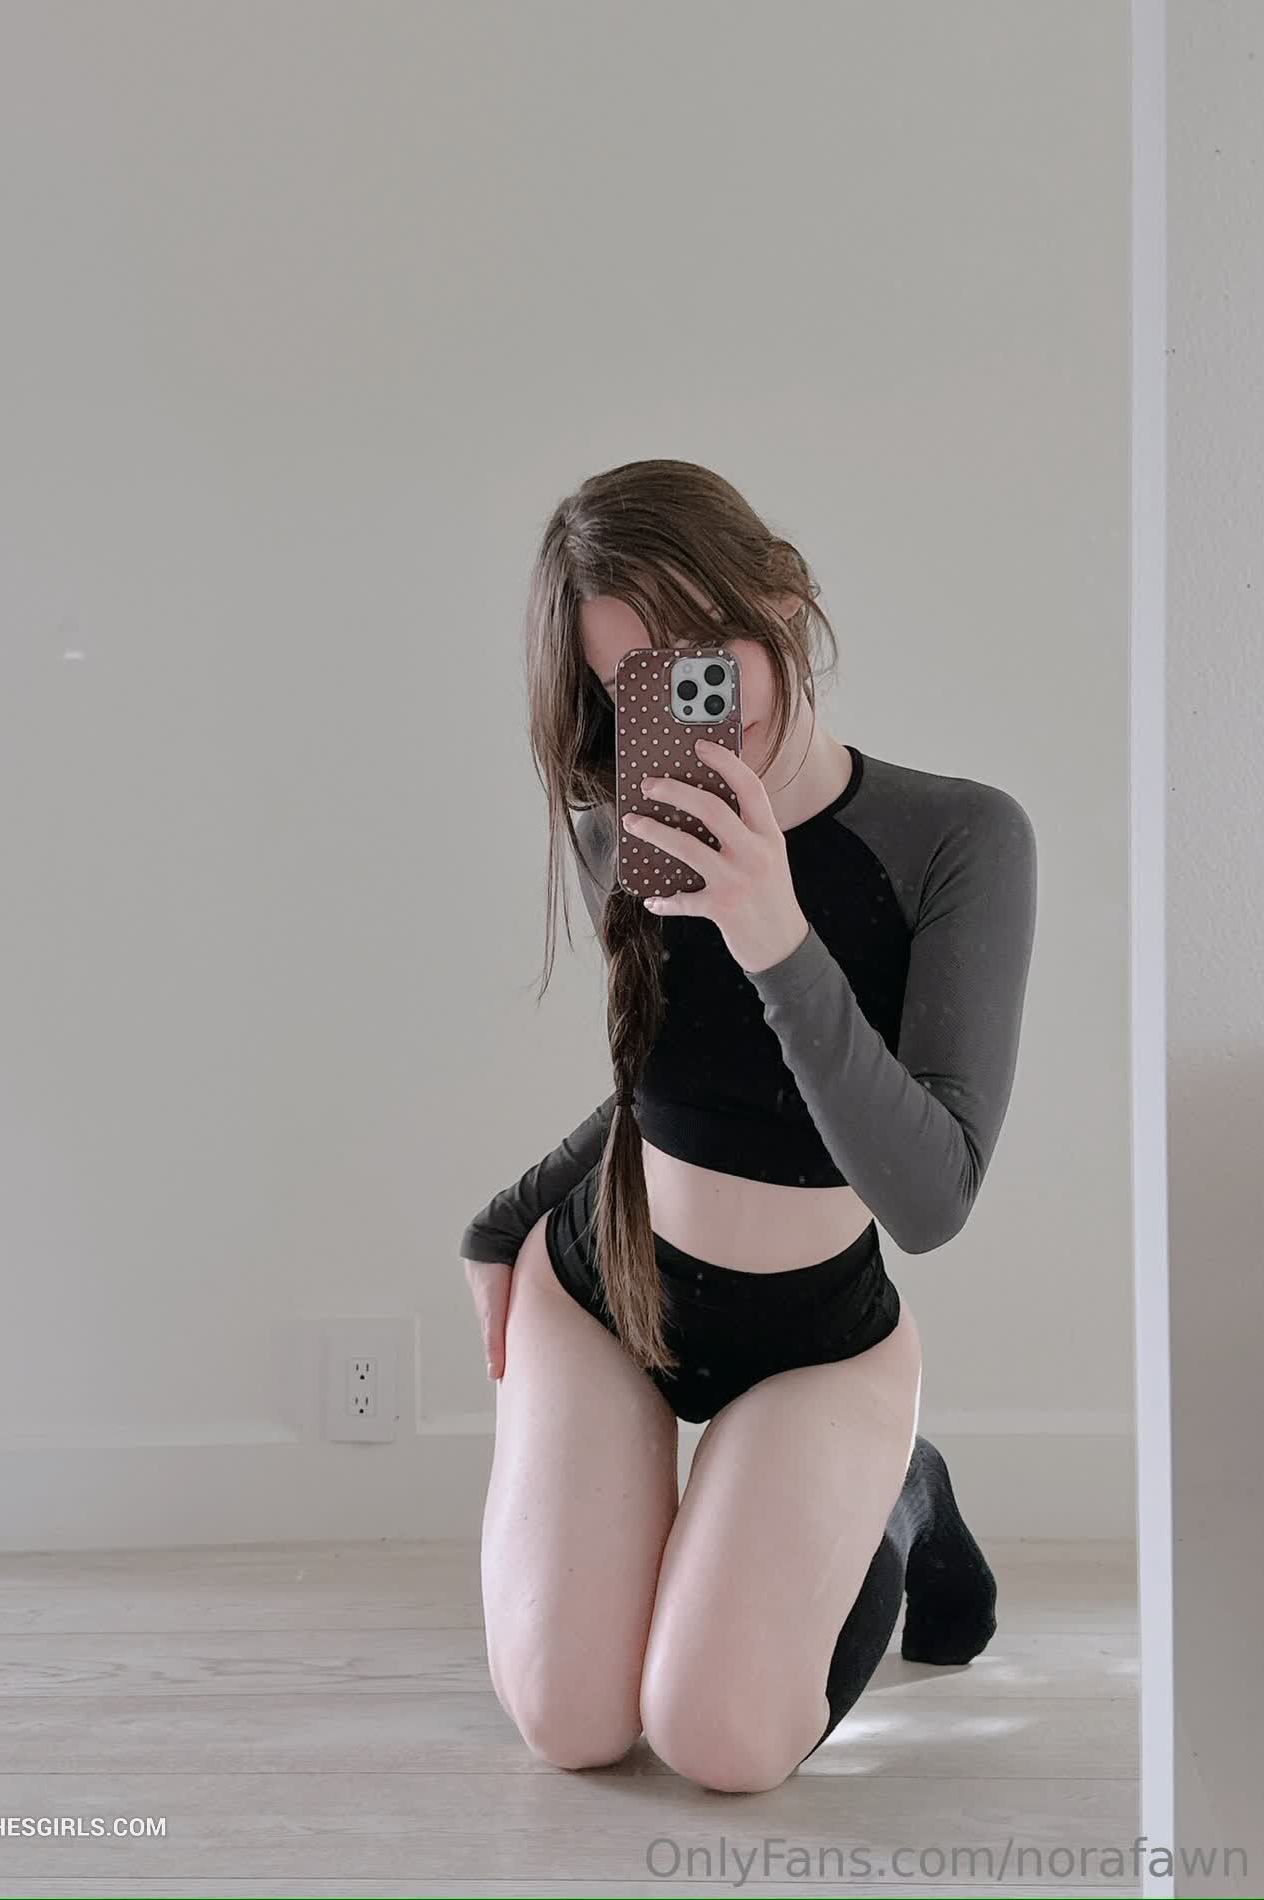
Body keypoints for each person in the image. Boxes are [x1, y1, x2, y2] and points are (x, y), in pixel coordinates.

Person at [459, 459, 1037, 1793]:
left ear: (779, 596)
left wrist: (772, 930)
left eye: (701, 652)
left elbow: (931, 1197)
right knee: (574, 1728)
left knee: (719, 1742)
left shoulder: (956, 837)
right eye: (631, 682)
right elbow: (674, 1091)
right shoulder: (624, 827)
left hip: (815, 1340)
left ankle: (899, 1492)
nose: (678, 703)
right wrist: (504, 1221)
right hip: (604, 1293)